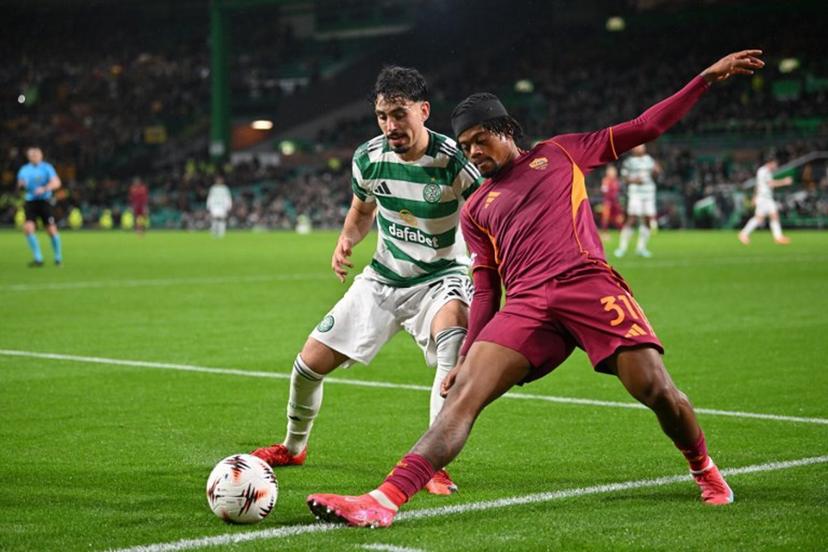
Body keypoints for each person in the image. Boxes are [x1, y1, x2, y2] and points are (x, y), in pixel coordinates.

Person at [306, 50, 764, 527]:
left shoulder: (561, 152)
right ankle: (383, 500)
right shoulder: (476, 206)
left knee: (654, 388)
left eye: (481, 140)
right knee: (462, 397)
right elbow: (485, 287)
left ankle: (704, 468)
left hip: (587, 285)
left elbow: (645, 127)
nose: (475, 153)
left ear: (505, 130)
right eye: (466, 145)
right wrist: (466, 353)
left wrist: (704, 79)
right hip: (527, 305)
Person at [251, 66, 482, 496]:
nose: (391, 126)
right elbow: (362, 212)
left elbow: (488, 213)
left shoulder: (453, 161)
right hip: (382, 278)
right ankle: (293, 447)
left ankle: (431, 465)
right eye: (382, 116)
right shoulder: (369, 158)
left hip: (440, 278)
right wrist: (345, 239)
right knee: (307, 365)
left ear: (423, 111)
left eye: (399, 114)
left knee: (453, 343)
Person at [17, 147, 62, 267]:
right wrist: (21, 185)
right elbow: (21, 183)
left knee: (51, 230)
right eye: (32, 155)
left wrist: (45, 188)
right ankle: (38, 258)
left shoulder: (47, 168)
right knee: (28, 228)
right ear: (28, 157)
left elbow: (57, 182)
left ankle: (58, 258)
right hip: (30, 201)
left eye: (36, 155)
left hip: (44, 201)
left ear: (41, 156)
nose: (34, 157)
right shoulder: (24, 170)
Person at [615, 144, 662, 258]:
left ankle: (641, 248)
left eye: (642, 147)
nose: (641, 148)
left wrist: (657, 171)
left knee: (647, 220)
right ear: (633, 149)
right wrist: (634, 180)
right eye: (638, 147)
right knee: (632, 218)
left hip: (649, 193)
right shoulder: (629, 162)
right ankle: (622, 248)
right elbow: (624, 178)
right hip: (635, 193)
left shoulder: (649, 160)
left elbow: (656, 175)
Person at [738, 151, 793, 245]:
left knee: (774, 215)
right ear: (770, 163)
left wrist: (754, 197)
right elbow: (770, 183)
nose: (776, 165)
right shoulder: (763, 171)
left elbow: (758, 185)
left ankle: (778, 237)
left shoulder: (765, 171)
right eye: (775, 163)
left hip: (766, 198)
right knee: (759, 218)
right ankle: (743, 233)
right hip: (763, 198)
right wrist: (784, 181)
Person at [599, 165, 623, 240]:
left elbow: (619, 192)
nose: (612, 173)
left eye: (613, 171)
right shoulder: (605, 180)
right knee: (605, 218)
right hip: (608, 202)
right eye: (610, 171)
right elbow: (604, 191)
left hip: (615, 202)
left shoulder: (617, 181)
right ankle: (604, 233)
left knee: (618, 217)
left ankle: (621, 232)